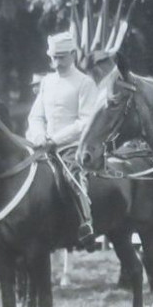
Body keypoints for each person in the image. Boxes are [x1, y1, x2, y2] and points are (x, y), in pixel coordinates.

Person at [25, 31, 97, 244]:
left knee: (74, 176)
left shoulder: (85, 83)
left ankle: (86, 221)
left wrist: (55, 140)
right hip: (41, 144)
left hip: (71, 146)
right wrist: (39, 135)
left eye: (61, 57)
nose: (56, 63)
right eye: (53, 58)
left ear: (73, 54)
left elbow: (85, 121)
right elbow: (35, 115)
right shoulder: (46, 82)